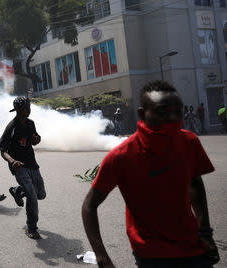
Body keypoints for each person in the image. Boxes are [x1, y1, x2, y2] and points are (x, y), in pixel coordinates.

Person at [81, 80, 219, 267]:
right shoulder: (121, 156)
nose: (172, 119)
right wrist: (101, 256)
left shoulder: (189, 142)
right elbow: (89, 206)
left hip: (192, 246)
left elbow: (195, 185)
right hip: (151, 254)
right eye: (162, 112)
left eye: (177, 112)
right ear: (142, 114)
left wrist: (205, 233)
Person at [0, 97, 46, 240]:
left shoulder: (31, 123)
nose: (28, 110)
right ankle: (31, 228)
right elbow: (2, 149)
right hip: (19, 167)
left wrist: (37, 139)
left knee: (41, 195)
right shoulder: (11, 127)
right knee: (32, 196)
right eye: (25, 107)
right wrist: (12, 161)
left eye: (29, 107)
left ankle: (17, 190)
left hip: (32, 164)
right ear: (18, 110)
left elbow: (34, 139)